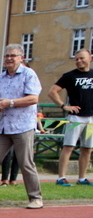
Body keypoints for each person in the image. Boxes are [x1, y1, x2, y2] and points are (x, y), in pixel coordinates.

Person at [0, 44, 43, 209]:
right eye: (7, 56)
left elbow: (33, 98)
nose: (9, 59)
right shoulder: (0, 78)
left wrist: (10, 102)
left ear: (21, 58)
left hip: (23, 125)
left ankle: (35, 198)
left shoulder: (29, 74)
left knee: (25, 163)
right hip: (3, 125)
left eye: (13, 56)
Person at [47, 49, 93, 186]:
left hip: (91, 118)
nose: (79, 61)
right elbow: (52, 91)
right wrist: (64, 106)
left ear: (90, 58)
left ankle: (82, 178)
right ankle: (61, 177)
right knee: (68, 146)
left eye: (82, 58)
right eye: (77, 59)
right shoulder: (69, 76)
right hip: (75, 118)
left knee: (87, 148)